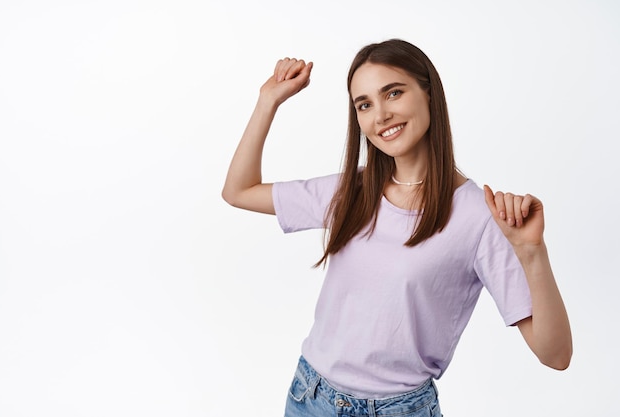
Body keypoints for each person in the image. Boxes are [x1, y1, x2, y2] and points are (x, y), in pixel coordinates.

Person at [222, 39, 572, 417]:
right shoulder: (352, 191)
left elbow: (555, 354)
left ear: (428, 93)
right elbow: (238, 191)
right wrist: (267, 101)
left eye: (394, 92)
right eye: (365, 104)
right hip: (311, 398)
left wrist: (533, 252)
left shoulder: (479, 216)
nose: (381, 115)